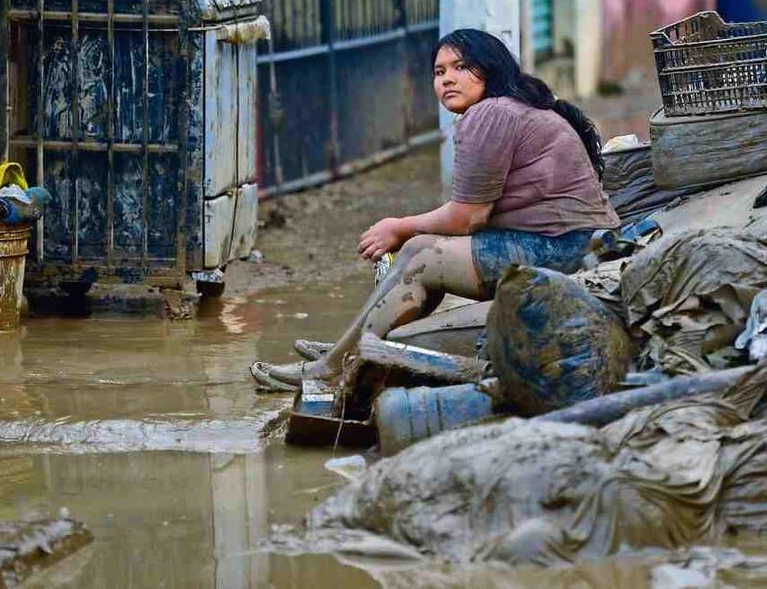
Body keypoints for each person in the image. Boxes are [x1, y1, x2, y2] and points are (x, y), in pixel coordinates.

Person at [250, 28, 620, 391]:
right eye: (439, 72)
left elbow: (468, 217)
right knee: (421, 248)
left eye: (461, 67)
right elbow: (471, 213)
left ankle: (332, 369)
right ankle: (350, 350)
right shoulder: (509, 109)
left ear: (490, 69)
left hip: (565, 249)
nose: (447, 79)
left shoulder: (491, 114)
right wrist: (409, 230)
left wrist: (399, 226)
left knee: (422, 257)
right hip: (574, 244)